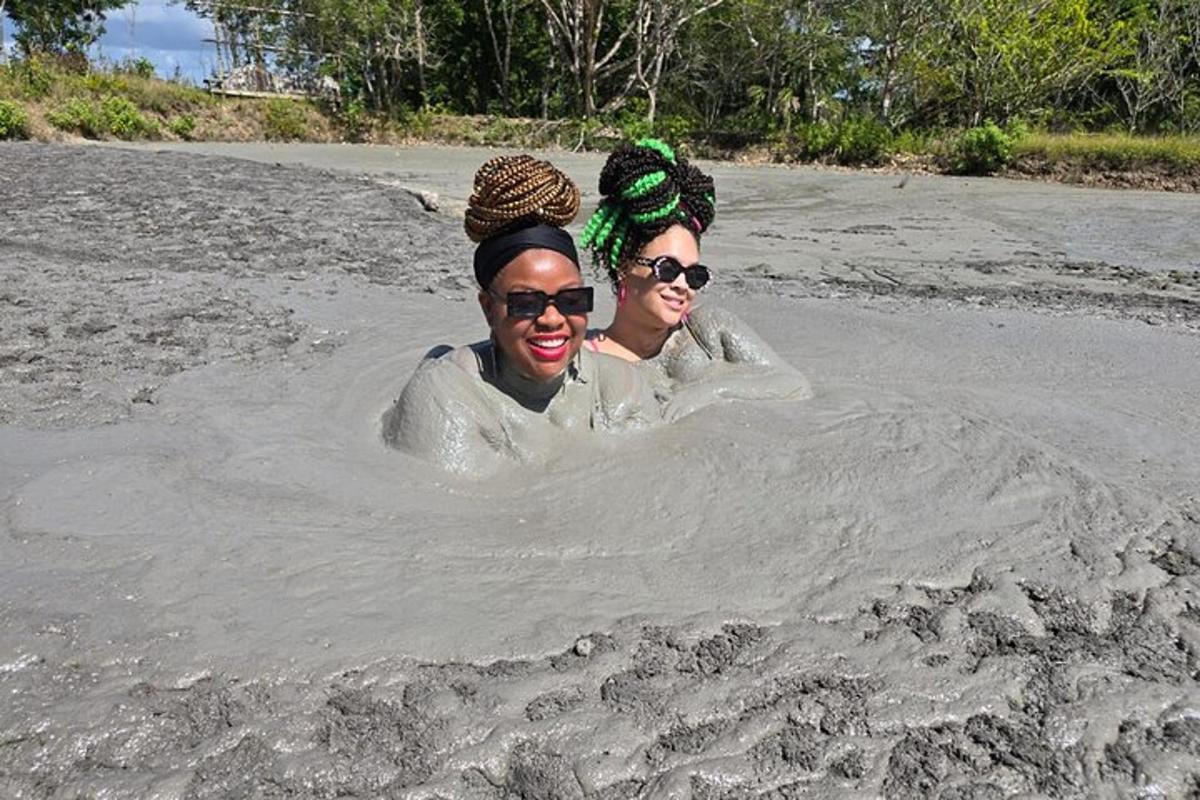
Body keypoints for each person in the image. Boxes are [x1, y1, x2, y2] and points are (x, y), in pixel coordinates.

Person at [383, 154, 660, 476]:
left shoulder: (620, 384)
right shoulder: (445, 393)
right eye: (527, 302)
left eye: (572, 299)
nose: (552, 319)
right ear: (488, 308)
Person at [579, 138, 811, 421]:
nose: (682, 284)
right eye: (667, 268)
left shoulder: (708, 329)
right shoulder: (584, 358)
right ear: (624, 267)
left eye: (694, 275)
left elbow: (793, 384)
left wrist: (712, 392)